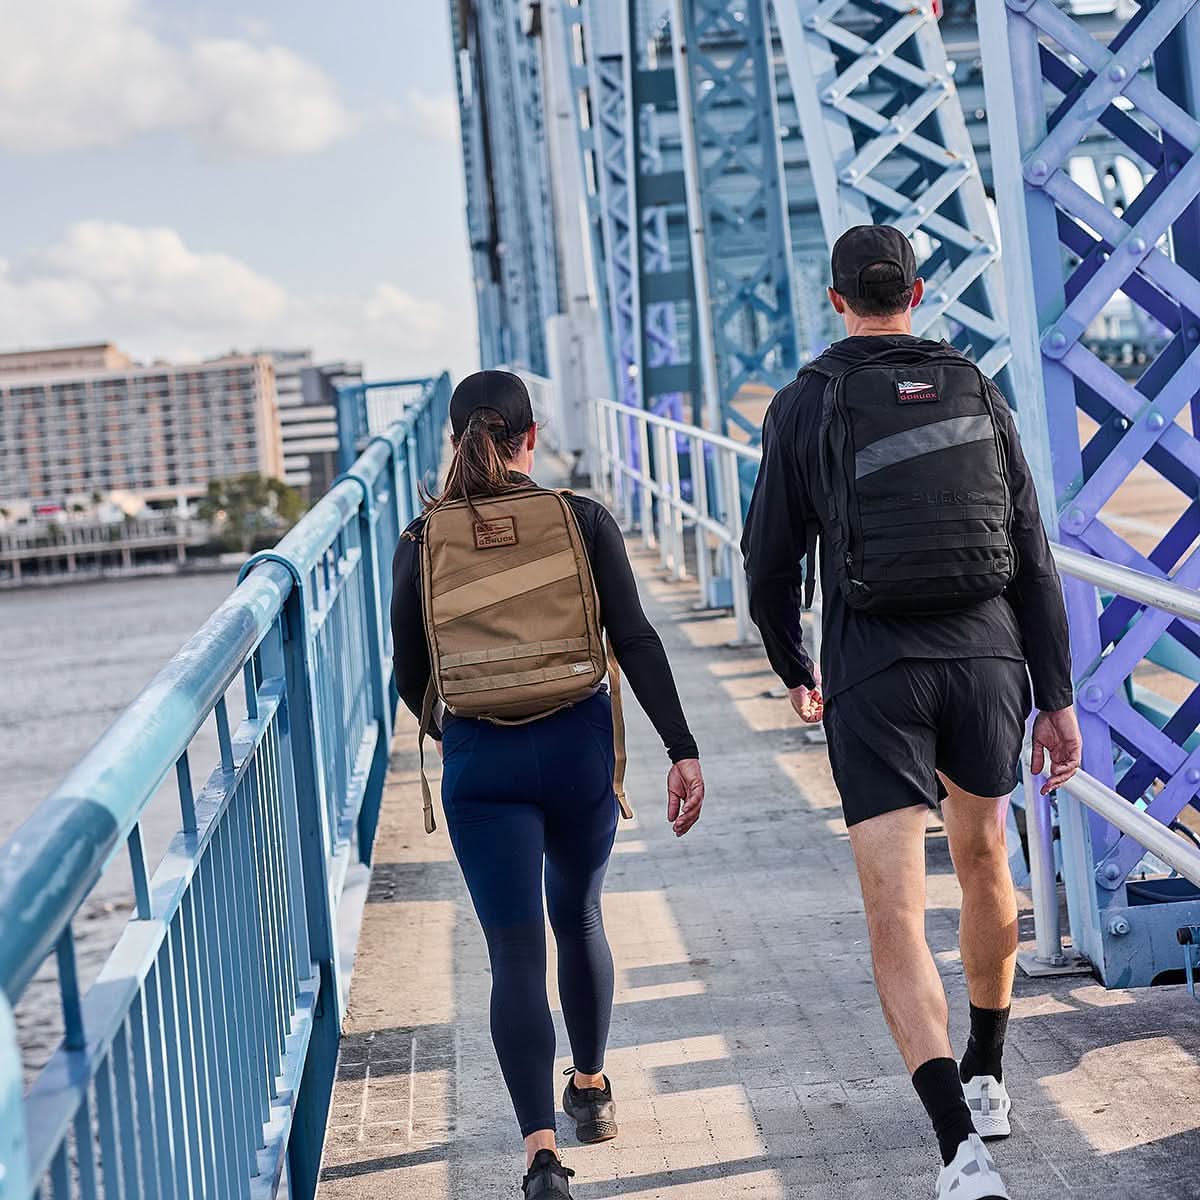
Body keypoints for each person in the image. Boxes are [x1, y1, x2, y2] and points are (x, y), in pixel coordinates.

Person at [741, 226, 1082, 1200]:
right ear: (918, 293)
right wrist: (1056, 699)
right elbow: (1032, 552)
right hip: (988, 660)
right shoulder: (977, 387)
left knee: (895, 909)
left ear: (837, 299)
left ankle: (959, 1155)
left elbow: (767, 563)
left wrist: (794, 665)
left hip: (874, 670)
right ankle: (988, 1075)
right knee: (986, 860)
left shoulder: (804, 402)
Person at [390, 370, 705, 1198]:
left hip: (480, 758)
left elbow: (410, 673)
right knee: (580, 914)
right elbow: (634, 637)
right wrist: (681, 748)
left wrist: (462, 737)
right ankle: (591, 1088)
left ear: (454, 441)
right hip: (577, 748)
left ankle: (539, 1156)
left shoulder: (421, 540)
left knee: (514, 952)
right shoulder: (580, 518)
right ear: (533, 437)